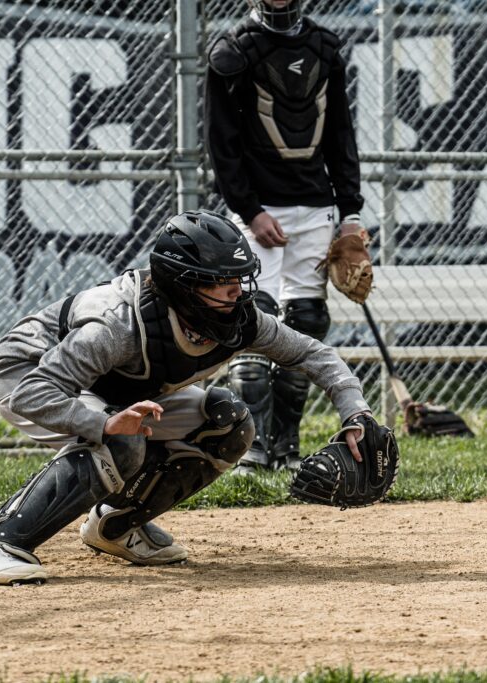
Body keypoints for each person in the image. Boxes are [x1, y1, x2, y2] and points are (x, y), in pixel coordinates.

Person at [0, 210, 374, 585]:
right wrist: (102, 424)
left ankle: (116, 525)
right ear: (184, 286)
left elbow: (312, 353)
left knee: (228, 422)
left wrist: (356, 412)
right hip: (29, 373)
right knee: (120, 441)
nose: (237, 292)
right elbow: (33, 392)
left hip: (111, 388)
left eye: (238, 279)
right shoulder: (119, 325)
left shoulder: (239, 319)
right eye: (220, 281)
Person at [204, 0, 366, 473]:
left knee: (308, 323)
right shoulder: (233, 52)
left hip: (316, 204)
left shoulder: (324, 49)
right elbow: (221, 140)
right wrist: (249, 211)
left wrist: (351, 213)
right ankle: (250, 448)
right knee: (255, 322)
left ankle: (286, 447)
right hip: (260, 208)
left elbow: (341, 133)